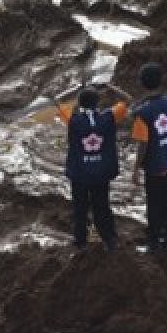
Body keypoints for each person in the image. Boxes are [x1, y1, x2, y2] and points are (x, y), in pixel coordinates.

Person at [54, 82, 131, 251]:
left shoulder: (74, 120)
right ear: (98, 103)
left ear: (80, 104)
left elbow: (58, 100)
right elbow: (128, 99)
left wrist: (74, 88)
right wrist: (111, 87)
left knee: (80, 208)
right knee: (102, 206)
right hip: (101, 173)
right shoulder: (108, 117)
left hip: (80, 173)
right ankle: (109, 238)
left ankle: (80, 241)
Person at [130, 62, 167, 251]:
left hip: (156, 166)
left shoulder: (143, 113)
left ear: (142, 84)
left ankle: (154, 241)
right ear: (161, 81)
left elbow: (143, 143)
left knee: (155, 203)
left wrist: (136, 168)